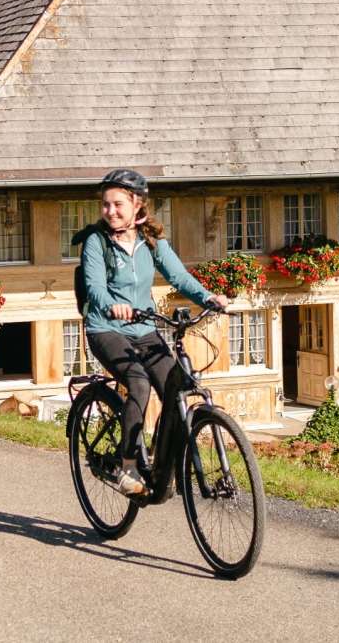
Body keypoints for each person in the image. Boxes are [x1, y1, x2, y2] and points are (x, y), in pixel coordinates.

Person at [81, 168, 227, 496]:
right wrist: (111, 305)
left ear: (137, 205)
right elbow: (94, 287)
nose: (110, 211)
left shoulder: (151, 240)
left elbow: (179, 276)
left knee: (178, 385)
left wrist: (208, 297)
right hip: (107, 328)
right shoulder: (96, 241)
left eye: (118, 204)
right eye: (105, 205)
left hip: (144, 328)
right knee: (138, 382)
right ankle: (127, 464)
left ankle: (163, 468)